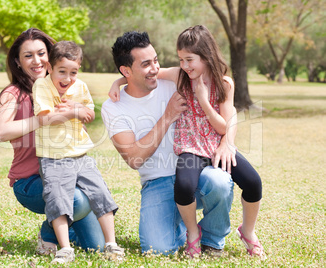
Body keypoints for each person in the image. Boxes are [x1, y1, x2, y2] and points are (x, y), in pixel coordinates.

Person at [109, 25, 264, 258]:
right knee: (161, 242)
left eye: (189, 59)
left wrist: (222, 134)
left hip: (212, 150)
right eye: (181, 59)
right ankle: (192, 232)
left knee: (247, 182)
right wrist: (118, 83)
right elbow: (133, 158)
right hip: (180, 157)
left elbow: (226, 123)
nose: (184, 65)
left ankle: (238, 234)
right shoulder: (179, 77)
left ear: (207, 56)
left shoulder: (222, 83)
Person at [0, 28, 105, 256]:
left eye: (41, 53)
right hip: (31, 180)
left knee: (96, 247)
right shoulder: (13, 93)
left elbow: (82, 122)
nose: (37, 61)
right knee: (79, 201)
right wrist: (45, 119)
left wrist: (77, 111)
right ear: (18, 61)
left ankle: (65, 228)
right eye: (28, 55)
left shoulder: (66, 87)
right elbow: (0, 132)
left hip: (69, 173)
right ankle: (48, 233)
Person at [32, 41, 124, 264]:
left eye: (73, 72)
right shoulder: (42, 86)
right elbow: (45, 118)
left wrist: (79, 110)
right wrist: (74, 112)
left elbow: (89, 114)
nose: (67, 78)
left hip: (80, 155)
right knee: (57, 199)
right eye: (62, 71)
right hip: (54, 158)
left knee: (100, 193)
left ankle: (112, 243)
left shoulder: (80, 87)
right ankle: (64, 249)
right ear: (49, 67)